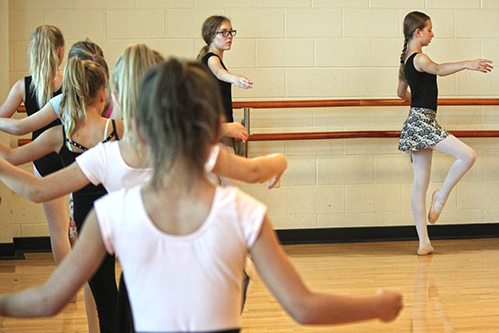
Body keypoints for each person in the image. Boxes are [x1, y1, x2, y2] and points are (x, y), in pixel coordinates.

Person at [0, 59, 403, 332]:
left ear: (137, 132)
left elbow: (48, 300)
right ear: (214, 132)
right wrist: (378, 305)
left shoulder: (111, 213)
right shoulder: (245, 213)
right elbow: (303, 307)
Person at [0, 44, 285, 332]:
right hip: (198, 280)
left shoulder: (107, 155)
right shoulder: (186, 146)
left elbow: (36, 191)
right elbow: (257, 169)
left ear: (113, 96)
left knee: (114, 305)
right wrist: (280, 161)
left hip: (166, 280)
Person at [0, 48, 124, 332]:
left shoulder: (59, 135)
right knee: (128, 294)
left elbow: (11, 158)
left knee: (105, 297)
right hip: (120, 216)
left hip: (89, 221)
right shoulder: (120, 129)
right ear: (103, 95)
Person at [396, 11, 493, 256]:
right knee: (468, 155)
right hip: (423, 122)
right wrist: (467, 64)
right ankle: (440, 197)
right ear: (417, 32)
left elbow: (400, 93)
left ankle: (424, 243)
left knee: (420, 184)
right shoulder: (419, 58)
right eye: (429, 30)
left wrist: (417, 102)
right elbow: (437, 68)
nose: (432, 34)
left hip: (416, 120)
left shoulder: (404, 61)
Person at [0, 25, 70, 266]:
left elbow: (3, 118)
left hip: (43, 157)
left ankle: (68, 291)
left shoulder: (23, 85)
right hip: (72, 154)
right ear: (60, 52)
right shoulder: (72, 82)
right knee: (78, 225)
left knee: (59, 231)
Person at [198, 15, 252, 155]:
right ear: (211, 37)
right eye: (223, 32)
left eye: (230, 32)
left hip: (217, 128)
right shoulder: (211, 58)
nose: (229, 36)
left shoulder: (212, 58)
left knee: (216, 177)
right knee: (230, 175)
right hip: (218, 129)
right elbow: (218, 72)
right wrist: (234, 78)